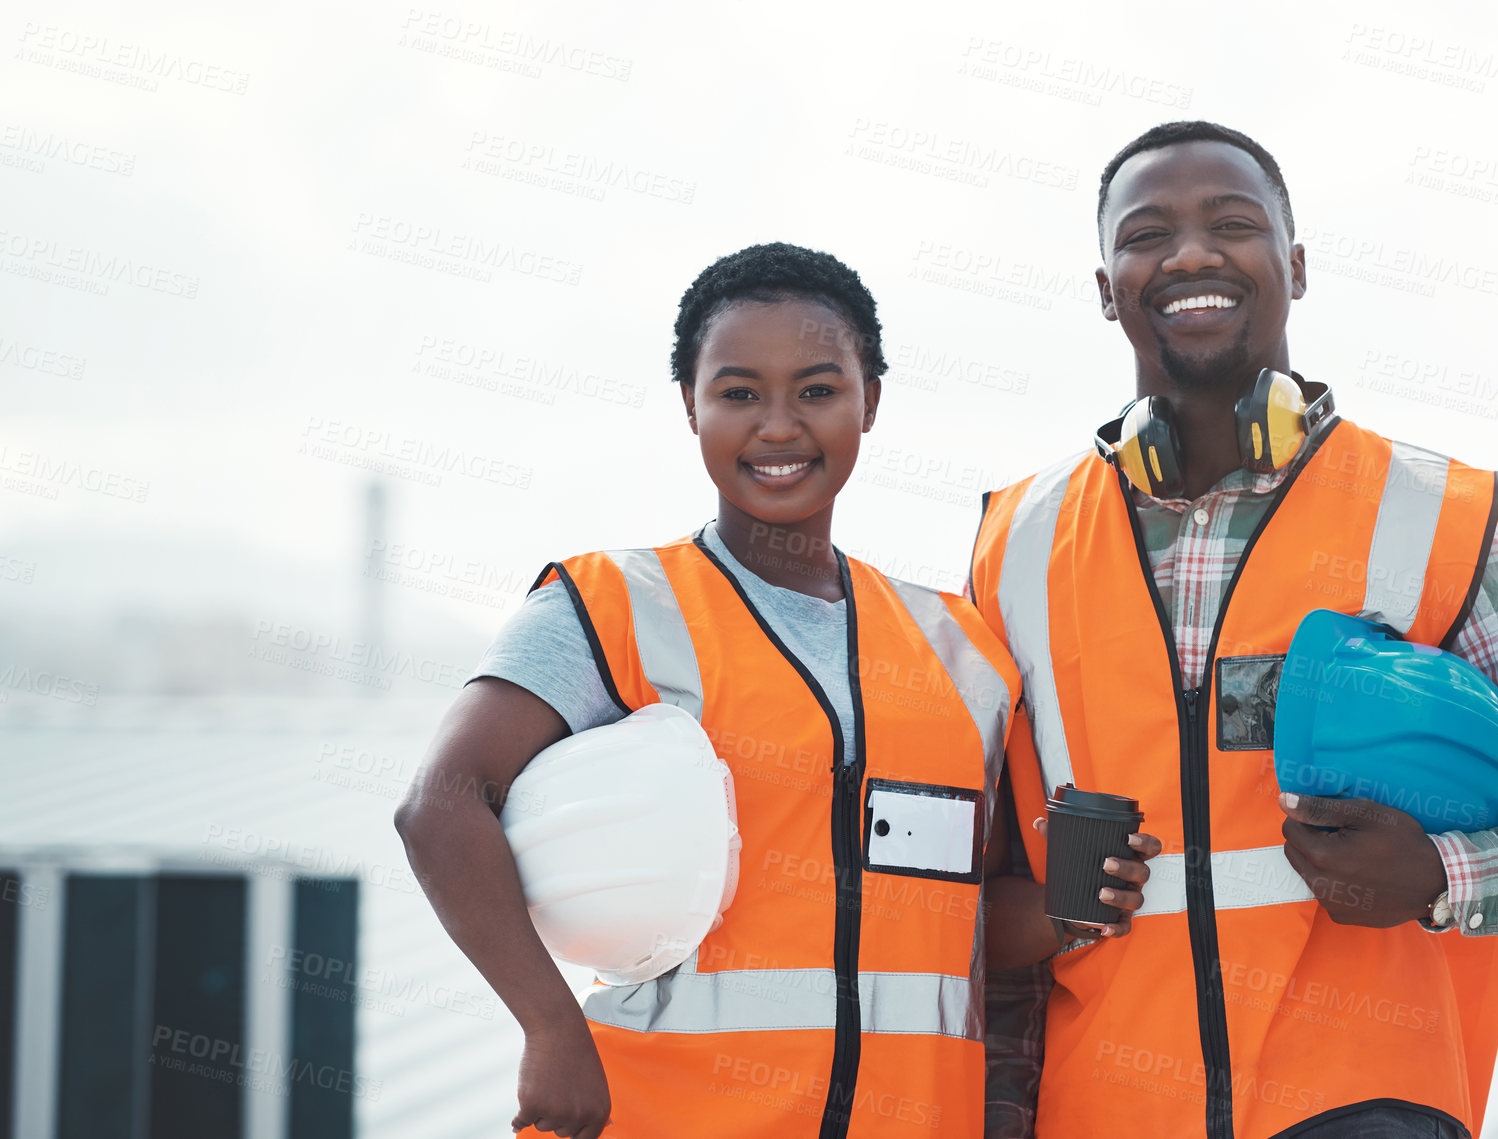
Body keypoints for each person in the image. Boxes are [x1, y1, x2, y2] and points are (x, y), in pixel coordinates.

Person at [969, 122, 1498, 1139]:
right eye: (1148, 232)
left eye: (1233, 223)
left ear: (1294, 266)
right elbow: (982, 877)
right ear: (1105, 282)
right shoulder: (1012, 544)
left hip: (1359, 1098)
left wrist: (1442, 872)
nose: (1192, 254)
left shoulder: (1428, 512)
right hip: (1102, 1105)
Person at [393, 242, 1157, 1139]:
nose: (780, 426)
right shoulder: (611, 605)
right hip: (662, 1116)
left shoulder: (964, 650)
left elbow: (960, 917)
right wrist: (548, 1023)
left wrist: (1071, 906)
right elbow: (440, 803)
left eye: (818, 390)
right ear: (691, 404)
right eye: (739, 392)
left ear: (870, 399)